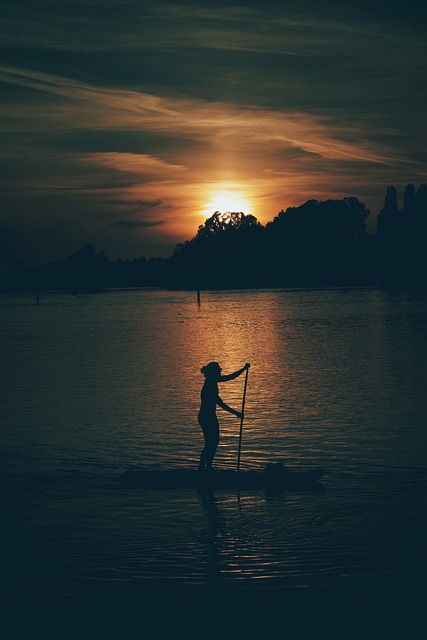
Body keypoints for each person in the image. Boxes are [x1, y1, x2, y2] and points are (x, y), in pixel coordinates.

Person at [198, 361, 250, 471]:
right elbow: (220, 403)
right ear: (214, 372)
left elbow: (230, 378)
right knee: (211, 442)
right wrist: (236, 413)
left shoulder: (212, 381)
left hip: (209, 416)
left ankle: (207, 467)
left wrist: (243, 369)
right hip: (206, 417)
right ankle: (203, 468)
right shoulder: (210, 384)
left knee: (213, 442)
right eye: (218, 371)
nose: (220, 372)